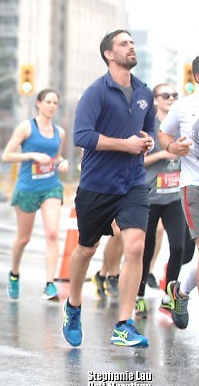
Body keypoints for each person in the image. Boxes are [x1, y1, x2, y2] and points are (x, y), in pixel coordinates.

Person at [61, 29, 155, 349]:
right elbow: (82, 136)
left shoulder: (144, 92)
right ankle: (73, 306)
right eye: (123, 44)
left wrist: (147, 141)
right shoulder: (95, 92)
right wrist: (124, 145)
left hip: (133, 183)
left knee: (135, 246)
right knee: (86, 249)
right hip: (97, 185)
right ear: (108, 54)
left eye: (132, 42)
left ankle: (124, 324)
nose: (131, 47)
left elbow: (148, 127)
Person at [158, 52, 199, 347]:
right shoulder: (184, 107)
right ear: (198, 77)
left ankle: (180, 292)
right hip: (196, 187)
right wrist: (173, 147)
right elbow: (163, 134)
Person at [135, 83, 195, 324]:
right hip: (150, 196)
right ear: (155, 100)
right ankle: (138, 294)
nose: (171, 98)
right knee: (146, 250)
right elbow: (137, 160)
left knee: (179, 248)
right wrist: (162, 154)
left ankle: (169, 296)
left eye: (174, 95)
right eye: (166, 95)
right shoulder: (148, 128)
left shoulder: (181, 126)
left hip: (173, 197)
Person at [1, 88, 69, 301]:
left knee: (52, 234)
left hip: (51, 186)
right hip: (27, 188)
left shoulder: (60, 132)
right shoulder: (26, 127)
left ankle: (49, 283)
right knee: (23, 238)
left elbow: (56, 158)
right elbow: (6, 156)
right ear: (38, 103)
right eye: (48, 101)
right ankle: (14, 273)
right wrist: (31, 155)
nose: (51, 106)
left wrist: (63, 163)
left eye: (55, 102)